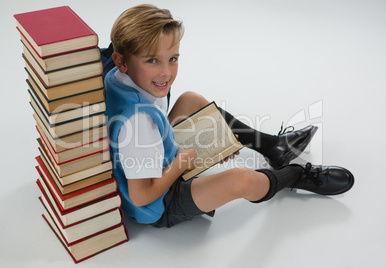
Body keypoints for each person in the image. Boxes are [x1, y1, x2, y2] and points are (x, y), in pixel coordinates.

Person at [105, 4, 354, 228]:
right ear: (122, 61)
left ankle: (274, 147)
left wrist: (205, 144)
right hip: (159, 202)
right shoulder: (138, 122)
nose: (166, 72)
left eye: (172, 59)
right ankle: (296, 175)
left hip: (156, 155)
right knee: (241, 179)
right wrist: (181, 162)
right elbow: (141, 195)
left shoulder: (116, 77)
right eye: (152, 60)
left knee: (190, 101)